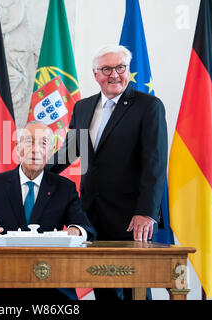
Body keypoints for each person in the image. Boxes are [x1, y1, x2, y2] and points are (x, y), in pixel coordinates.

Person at [48, 44, 167, 300]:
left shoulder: (149, 106)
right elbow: (70, 151)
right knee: (102, 286)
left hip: (132, 218)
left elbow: (154, 165)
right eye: (106, 69)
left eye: (120, 68)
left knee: (134, 288)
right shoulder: (83, 107)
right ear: (95, 74)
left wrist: (146, 212)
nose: (114, 74)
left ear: (127, 69)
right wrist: (32, 173)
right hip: (91, 213)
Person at [0, 120, 97, 301]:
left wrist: (75, 231)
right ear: (18, 149)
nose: (35, 150)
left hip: (48, 280)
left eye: (43, 144)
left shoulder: (65, 188)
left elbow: (86, 229)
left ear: (50, 152)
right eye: (29, 142)